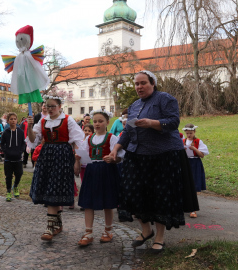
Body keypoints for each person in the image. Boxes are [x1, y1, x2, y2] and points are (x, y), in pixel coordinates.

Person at [109, 70, 199, 254]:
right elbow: (127, 132)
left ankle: (159, 238)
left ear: (153, 83)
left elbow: (173, 122)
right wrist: (116, 149)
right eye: (136, 84)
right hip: (137, 155)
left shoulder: (165, 99)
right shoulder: (134, 106)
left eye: (143, 83)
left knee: (160, 196)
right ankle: (146, 231)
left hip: (163, 155)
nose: (139, 87)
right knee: (133, 192)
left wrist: (152, 123)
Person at [26, 95, 84, 242]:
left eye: (52, 106)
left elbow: (78, 141)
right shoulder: (43, 120)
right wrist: (30, 127)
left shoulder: (68, 120)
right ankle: (56, 225)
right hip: (47, 157)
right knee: (49, 188)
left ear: (59, 106)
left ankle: (50, 227)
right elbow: (33, 140)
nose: (49, 108)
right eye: (47, 106)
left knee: (54, 189)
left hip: (63, 157)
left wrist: (77, 160)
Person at [75, 110, 124, 246]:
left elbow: (121, 157)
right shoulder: (89, 139)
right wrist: (77, 159)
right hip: (91, 171)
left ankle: (108, 231)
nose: (97, 124)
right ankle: (88, 232)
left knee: (107, 202)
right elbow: (83, 155)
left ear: (107, 122)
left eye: (100, 121)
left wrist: (113, 159)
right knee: (88, 202)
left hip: (107, 171)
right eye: (95, 121)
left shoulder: (112, 138)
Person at [182, 123, 209, 218]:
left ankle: (192, 209)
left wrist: (194, 149)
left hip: (195, 164)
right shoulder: (182, 141)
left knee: (193, 186)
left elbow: (202, 155)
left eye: (191, 133)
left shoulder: (198, 142)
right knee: (183, 185)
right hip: (185, 163)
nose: (189, 135)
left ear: (194, 132)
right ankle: (183, 206)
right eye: (187, 133)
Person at [0, 112, 26, 202]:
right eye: (11, 119)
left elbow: (23, 143)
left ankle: (15, 186)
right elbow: (2, 143)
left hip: (18, 158)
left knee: (19, 174)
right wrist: (5, 151)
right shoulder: (6, 132)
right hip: (8, 158)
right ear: (8, 121)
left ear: (17, 120)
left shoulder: (20, 132)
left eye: (15, 119)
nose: (13, 120)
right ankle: (8, 191)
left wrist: (21, 151)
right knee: (8, 176)